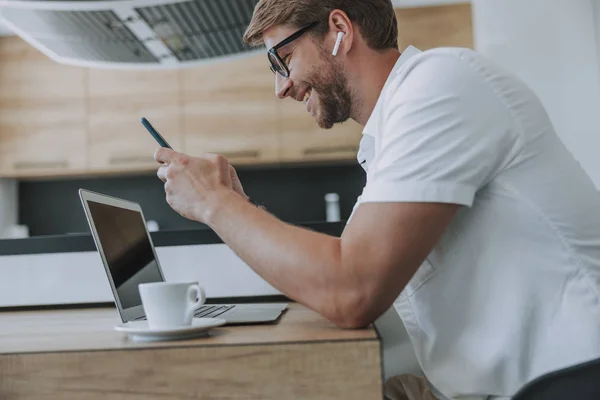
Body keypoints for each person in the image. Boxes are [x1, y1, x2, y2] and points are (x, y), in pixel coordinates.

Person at [153, 0, 600, 399]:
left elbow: (351, 290)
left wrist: (216, 203)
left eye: (282, 58)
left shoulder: (440, 85)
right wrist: (239, 207)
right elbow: (335, 277)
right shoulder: (388, 141)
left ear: (339, 30)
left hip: (570, 377)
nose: (281, 87)